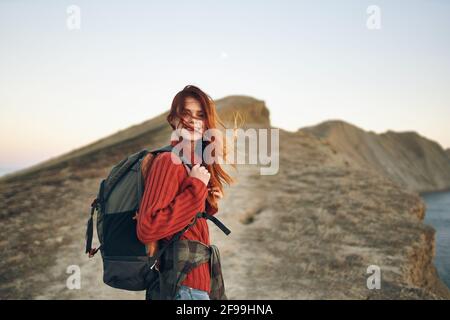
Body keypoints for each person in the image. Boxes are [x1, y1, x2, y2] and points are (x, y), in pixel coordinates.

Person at [136, 85, 235, 300]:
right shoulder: (168, 162)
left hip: (195, 280)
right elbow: (148, 226)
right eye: (186, 113)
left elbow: (182, 219)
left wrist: (206, 201)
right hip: (184, 285)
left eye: (200, 115)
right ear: (174, 118)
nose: (193, 121)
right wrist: (195, 190)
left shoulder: (190, 162)